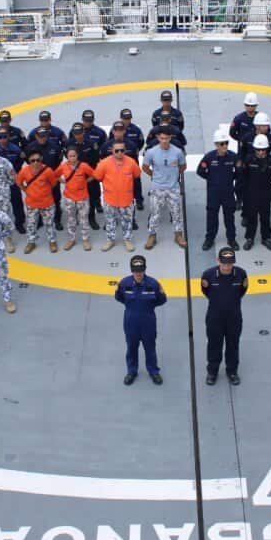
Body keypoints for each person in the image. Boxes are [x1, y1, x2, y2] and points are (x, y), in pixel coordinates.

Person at [115, 255, 168, 386]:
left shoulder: (153, 284)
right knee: (131, 347)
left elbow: (161, 300)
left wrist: (148, 307)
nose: (138, 274)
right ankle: (131, 371)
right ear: (131, 270)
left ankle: (153, 371)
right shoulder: (124, 284)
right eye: (135, 271)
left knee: (150, 347)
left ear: (144, 269)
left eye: (140, 271)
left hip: (148, 322)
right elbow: (119, 297)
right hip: (130, 322)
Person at [200, 247, 248, 386]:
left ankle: (232, 372)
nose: (227, 266)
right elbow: (206, 291)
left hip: (234, 317)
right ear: (218, 261)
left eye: (230, 263)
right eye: (224, 263)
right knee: (214, 345)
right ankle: (212, 372)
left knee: (233, 345)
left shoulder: (241, 274)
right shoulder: (208, 275)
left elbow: (242, 290)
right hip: (215, 317)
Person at [143, 127, 187, 249]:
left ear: (170, 138)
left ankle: (178, 234)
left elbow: (183, 166)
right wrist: (155, 176)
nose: (164, 141)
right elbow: (145, 167)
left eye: (167, 138)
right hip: (157, 188)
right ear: (158, 138)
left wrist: (174, 176)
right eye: (162, 138)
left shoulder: (178, 152)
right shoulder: (151, 152)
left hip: (173, 188)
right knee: (154, 213)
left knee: (177, 213)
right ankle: (152, 235)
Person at [92, 142, 140, 252]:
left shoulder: (131, 162)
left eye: (122, 150)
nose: (119, 153)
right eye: (116, 150)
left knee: (127, 221)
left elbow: (137, 174)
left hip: (126, 199)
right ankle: (110, 240)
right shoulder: (104, 163)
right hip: (110, 199)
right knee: (110, 221)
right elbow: (98, 177)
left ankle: (127, 240)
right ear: (112, 151)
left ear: (125, 151)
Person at [197, 129, 240, 251]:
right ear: (216, 145)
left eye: (226, 143)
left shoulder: (233, 157)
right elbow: (200, 171)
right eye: (222, 144)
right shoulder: (209, 158)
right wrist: (211, 179)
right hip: (213, 193)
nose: (225, 146)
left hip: (228, 193)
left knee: (229, 217)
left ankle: (231, 239)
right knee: (211, 217)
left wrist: (231, 179)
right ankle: (209, 238)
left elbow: (239, 172)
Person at [16, 149, 59, 253]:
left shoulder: (48, 171)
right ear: (29, 161)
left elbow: (53, 183)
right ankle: (31, 242)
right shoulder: (24, 171)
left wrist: (44, 192)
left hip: (47, 203)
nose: (35, 162)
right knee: (31, 224)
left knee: (49, 223)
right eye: (33, 160)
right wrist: (26, 190)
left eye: (38, 160)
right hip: (32, 204)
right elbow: (18, 182)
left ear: (41, 160)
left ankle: (52, 241)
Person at [239, 134, 271, 251]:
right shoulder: (249, 160)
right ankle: (250, 238)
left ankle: (266, 238)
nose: (260, 152)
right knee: (252, 217)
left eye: (263, 149)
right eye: (258, 149)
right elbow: (243, 176)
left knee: (265, 216)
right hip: (251, 192)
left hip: (265, 192)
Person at [57, 146, 95, 250]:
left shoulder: (83, 166)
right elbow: (55, 175)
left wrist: (85, 182)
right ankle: (71, 239)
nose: (72, 158)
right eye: (70, 156)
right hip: (69, 197)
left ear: (77, 155)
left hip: (82, 197)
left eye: (74, 155)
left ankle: (85, 239)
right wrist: (63, 181)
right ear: (67, 157)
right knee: (71, 219)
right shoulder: (63, 166)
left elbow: (93, 174)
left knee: (84, 219)